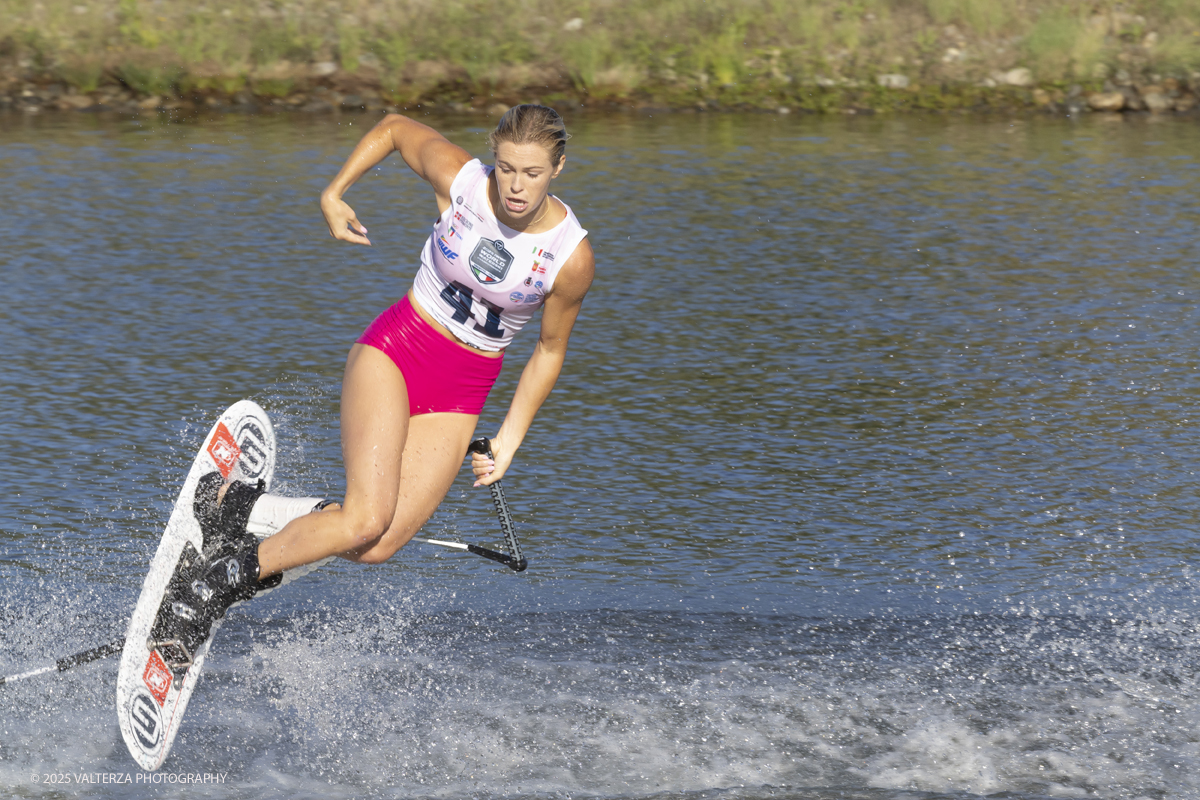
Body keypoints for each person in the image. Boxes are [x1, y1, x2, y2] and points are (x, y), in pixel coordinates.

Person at [156, 105, 594, 648]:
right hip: (398, 349)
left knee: (375, 546)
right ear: (493, 159)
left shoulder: (570, 257)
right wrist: (334, 192)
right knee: (365, 519)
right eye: (506, 168)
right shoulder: (463, 181)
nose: (516, 186)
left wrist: (509, 440)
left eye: (532, 173)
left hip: (462, 390)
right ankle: (207, 588)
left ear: (558, 168)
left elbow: (549, 350)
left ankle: (236, 508)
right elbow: (392, 127)